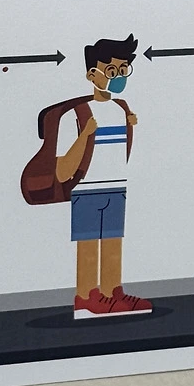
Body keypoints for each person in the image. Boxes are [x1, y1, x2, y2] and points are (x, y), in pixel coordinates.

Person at [54, 34, 153, 319]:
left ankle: (112, 291)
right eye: (111, 70)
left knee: (112, 241)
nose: (118, 77)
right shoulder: (79, 111)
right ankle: (86, 296)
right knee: (88, 244)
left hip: (115, 186)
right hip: (86, 189)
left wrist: (130, 125)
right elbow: (62, 165)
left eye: (123, 70)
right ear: (92, 74)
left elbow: (124, 151)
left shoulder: (121, 108)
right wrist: (85, 135)